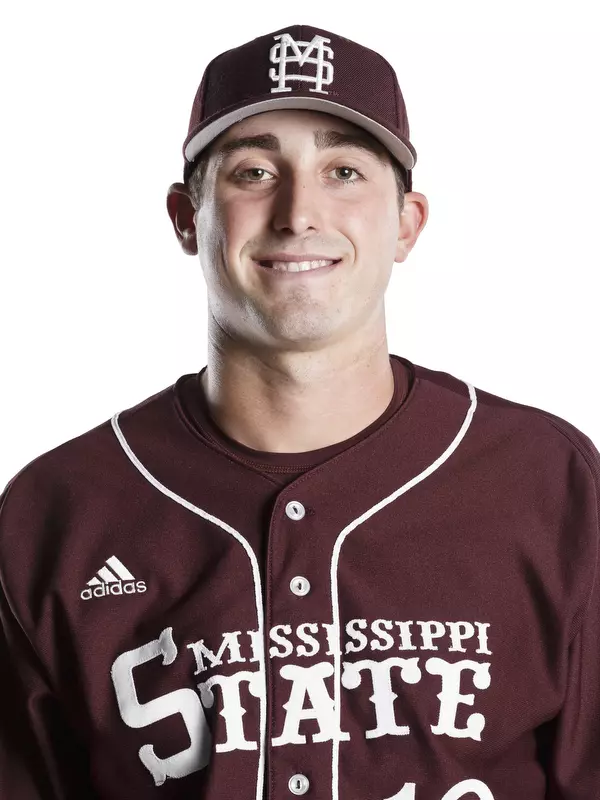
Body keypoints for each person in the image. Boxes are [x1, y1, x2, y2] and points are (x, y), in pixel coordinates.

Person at [1, 23, 599, 800]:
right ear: (186, 217)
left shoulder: (547, 481)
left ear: (408, 224)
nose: (298, 213)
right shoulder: (56, 513)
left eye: (343, 171)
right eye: (253, 171)